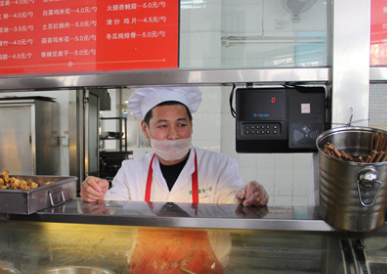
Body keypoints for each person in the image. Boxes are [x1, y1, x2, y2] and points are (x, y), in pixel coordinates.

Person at [80, 86, 269, 207]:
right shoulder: (131, 171)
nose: (173, 134)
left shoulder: (220, 166)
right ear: (145, 129)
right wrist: (95, 195)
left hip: (204, 264)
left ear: (191, 124)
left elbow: (232, 198)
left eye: (181, 124)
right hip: (147, 264)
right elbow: (113, 208)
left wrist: (248, 196)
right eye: (162, 126)